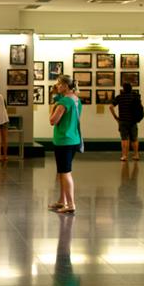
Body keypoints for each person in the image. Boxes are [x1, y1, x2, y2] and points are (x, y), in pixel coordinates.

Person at [48, 75, 82, 214]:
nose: (57, 86)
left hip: (64, 140)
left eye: (59, 84)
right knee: (62, 172)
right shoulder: (76, 100)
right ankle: (62, 200)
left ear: (66, 86)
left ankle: (71, 204)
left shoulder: (63, 102)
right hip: (73, 139)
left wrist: (53, 105)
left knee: (66, 173)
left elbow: (52, 120)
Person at [110, 82, 142, 161]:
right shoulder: (134, 96)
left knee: (124, 139)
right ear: (131, 88)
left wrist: (116, 117)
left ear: (123, 89)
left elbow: (111, 106)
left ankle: (124, 156)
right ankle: (136, 155)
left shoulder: (120, 97)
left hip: (123, 121)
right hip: (133, 121)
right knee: (134, 139)